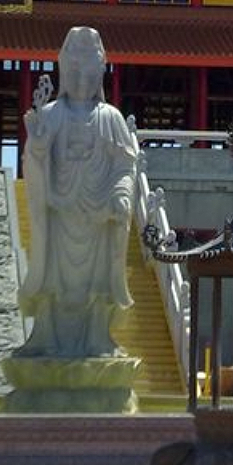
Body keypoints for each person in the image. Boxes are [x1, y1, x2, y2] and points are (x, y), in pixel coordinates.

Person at [13, 27, 139, 359]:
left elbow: (125, 165)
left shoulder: (111, 118)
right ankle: (46, 338)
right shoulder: (51, 114)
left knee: (98, 282)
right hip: (60, 213)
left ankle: (98, 338)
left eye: (89, 70)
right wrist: (37, 146)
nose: (82, 78)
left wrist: (121, 196)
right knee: (53, 280)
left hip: (98, 215)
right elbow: (35, 162)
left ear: (100, 72)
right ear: (64, 71)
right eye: (74, 69)